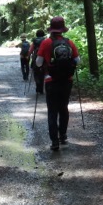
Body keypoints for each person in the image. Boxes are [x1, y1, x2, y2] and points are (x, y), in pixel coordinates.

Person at [34, 17, 81, 151]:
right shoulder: (69, 42)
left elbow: (38, 62)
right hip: (67, 80)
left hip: (51, 81)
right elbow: (78, 61)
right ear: (62, 29)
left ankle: (54, 141)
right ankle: (63, 135)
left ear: (51, 29)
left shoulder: (46, 43)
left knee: (52, 111)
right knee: (64, 108)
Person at [28, 29, 46, 95]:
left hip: (35, 58)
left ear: (37, 34)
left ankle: (38, 85)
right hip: (44, 59)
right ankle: (41, 88)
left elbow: (30, 50)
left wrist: (28, 56)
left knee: (35, 73)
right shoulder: (45, 40)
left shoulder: (34, 41)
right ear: (43, 34)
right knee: (42, 73)